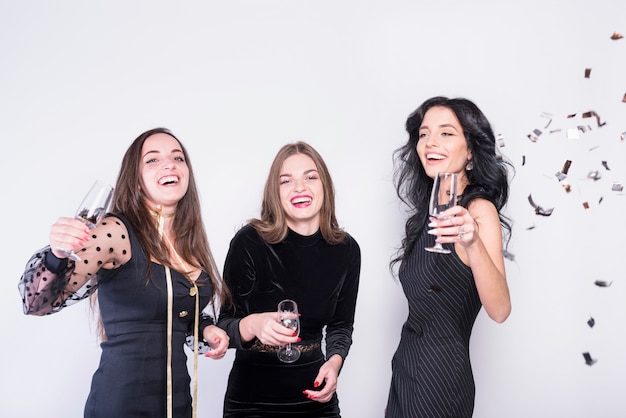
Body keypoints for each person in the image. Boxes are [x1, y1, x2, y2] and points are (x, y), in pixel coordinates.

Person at [18, 127, 230, 418]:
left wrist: (206, 328)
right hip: (123, 405)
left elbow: (175, 312)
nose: (169, 164)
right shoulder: (116, 231)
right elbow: (36, 303)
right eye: (152, 160)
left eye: (178, 158)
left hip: (178, 404)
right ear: (137, 179)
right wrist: (57, 254)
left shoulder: (189, 242)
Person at [385, 96, 513, 418]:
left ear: (470, 150)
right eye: (424, 133)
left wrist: (472, 241)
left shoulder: (478, 211)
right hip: (406, 369)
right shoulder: (424, 217)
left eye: (446, 133)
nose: (430, 142)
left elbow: (500, 310)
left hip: (439, 378)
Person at [215, 141, 361, 417]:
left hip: (316, 400)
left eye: (310, 177)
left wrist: (334, 362)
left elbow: (341, 325)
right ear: (275, 193)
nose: (299, 188)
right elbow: (225, 325)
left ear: (324, 186)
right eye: (286, 181)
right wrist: (252, 324)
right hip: (251, 402)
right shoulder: (249, 242)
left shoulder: (347, 250)